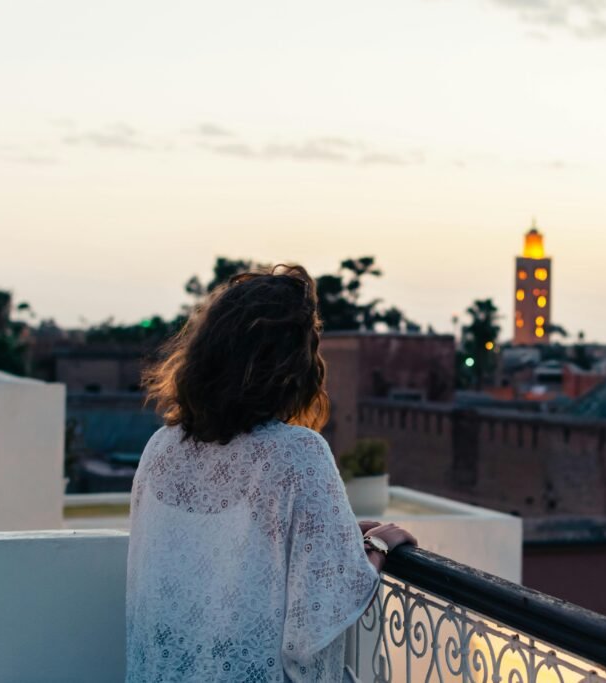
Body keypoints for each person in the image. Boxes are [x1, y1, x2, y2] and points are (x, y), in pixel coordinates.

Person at [126, 265, 417, 682]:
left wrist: (337, 533)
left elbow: (219, 550)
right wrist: (379, 547)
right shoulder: (297, 454)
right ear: (291, 366)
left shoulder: (162, 449)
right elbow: (323, 606)